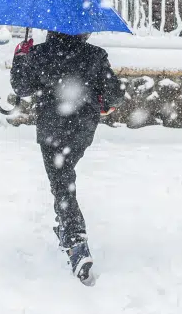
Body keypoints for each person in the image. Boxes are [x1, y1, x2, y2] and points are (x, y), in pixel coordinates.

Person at [10, 31, 124, 284]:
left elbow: (21, 87)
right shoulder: (95, 55)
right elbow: (114, 95)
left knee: (61, 181)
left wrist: (21, 56)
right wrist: (103, 103)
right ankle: (65, 227)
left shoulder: (39, 54)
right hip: (83, 128)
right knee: (63, 176)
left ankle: (75, 239)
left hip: (52, 128)